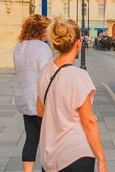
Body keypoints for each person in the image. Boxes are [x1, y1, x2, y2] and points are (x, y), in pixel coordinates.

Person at [36, 18, 107, 172]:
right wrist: (101, 159)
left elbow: (40, 111)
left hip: (49, 156)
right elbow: (88, 122)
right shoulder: (79, 76)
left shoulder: (45, 72)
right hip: (75, 154)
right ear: (78, 43)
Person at [13, 14, 52, 172]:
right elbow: (47, 74)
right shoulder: (42, 47)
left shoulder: (19, 46)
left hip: (23, 97)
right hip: (39, 99)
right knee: (47, 140)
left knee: (31, 138)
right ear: (41, 30)